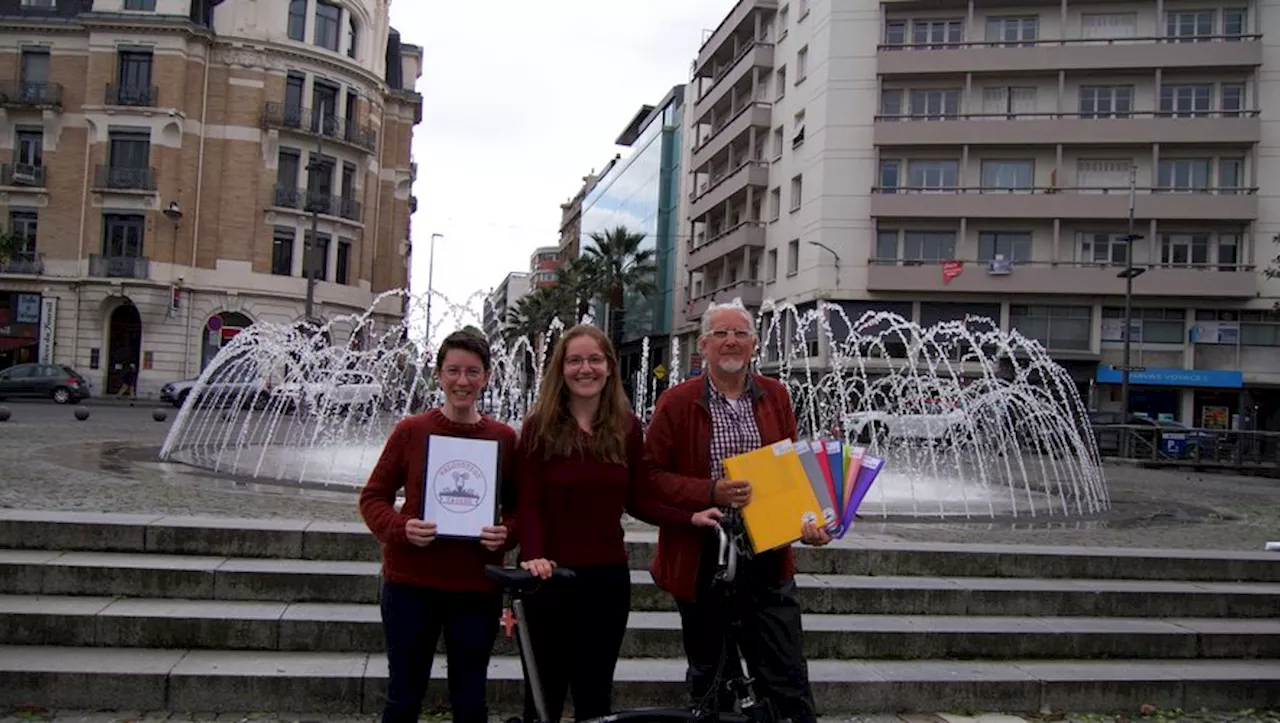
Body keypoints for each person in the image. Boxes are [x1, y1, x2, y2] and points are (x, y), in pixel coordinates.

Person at [516, 324, 721, 723]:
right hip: (548, 577)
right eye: (575, 360)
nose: (585, 368)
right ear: (561, 368)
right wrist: (535, 554)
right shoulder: (538, 427)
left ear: (609, 367)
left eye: (594, 359)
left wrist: (689, 517)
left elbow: (639, 498)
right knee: (544, 695)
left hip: (606, 580)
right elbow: (527, 503)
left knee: (595, 695)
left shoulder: (626, 427)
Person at [644, 302, 831, 723]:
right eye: (721, 334)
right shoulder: (676, 402)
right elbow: (649, 476)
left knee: (786, 676)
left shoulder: (776, 395)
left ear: (754, 344)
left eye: (741, 334)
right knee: (712, 678)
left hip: (768, 553)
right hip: (703, 554)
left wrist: (812, 521)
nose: (731, 342)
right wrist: (711, 491)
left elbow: (794, 468)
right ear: (704, 344)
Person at [358, 329, 517, 723]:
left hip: (476, 587)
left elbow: (520, 509)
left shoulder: (503, 438)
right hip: (411, 584)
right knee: (403, 698)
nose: (462, 381)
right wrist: (401, 528)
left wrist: (507, 532)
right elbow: (373, 497)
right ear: (438, 375)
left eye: (472, 372)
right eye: (453, 371)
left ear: (488, 377)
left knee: (471, 700)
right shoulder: (411, 431)